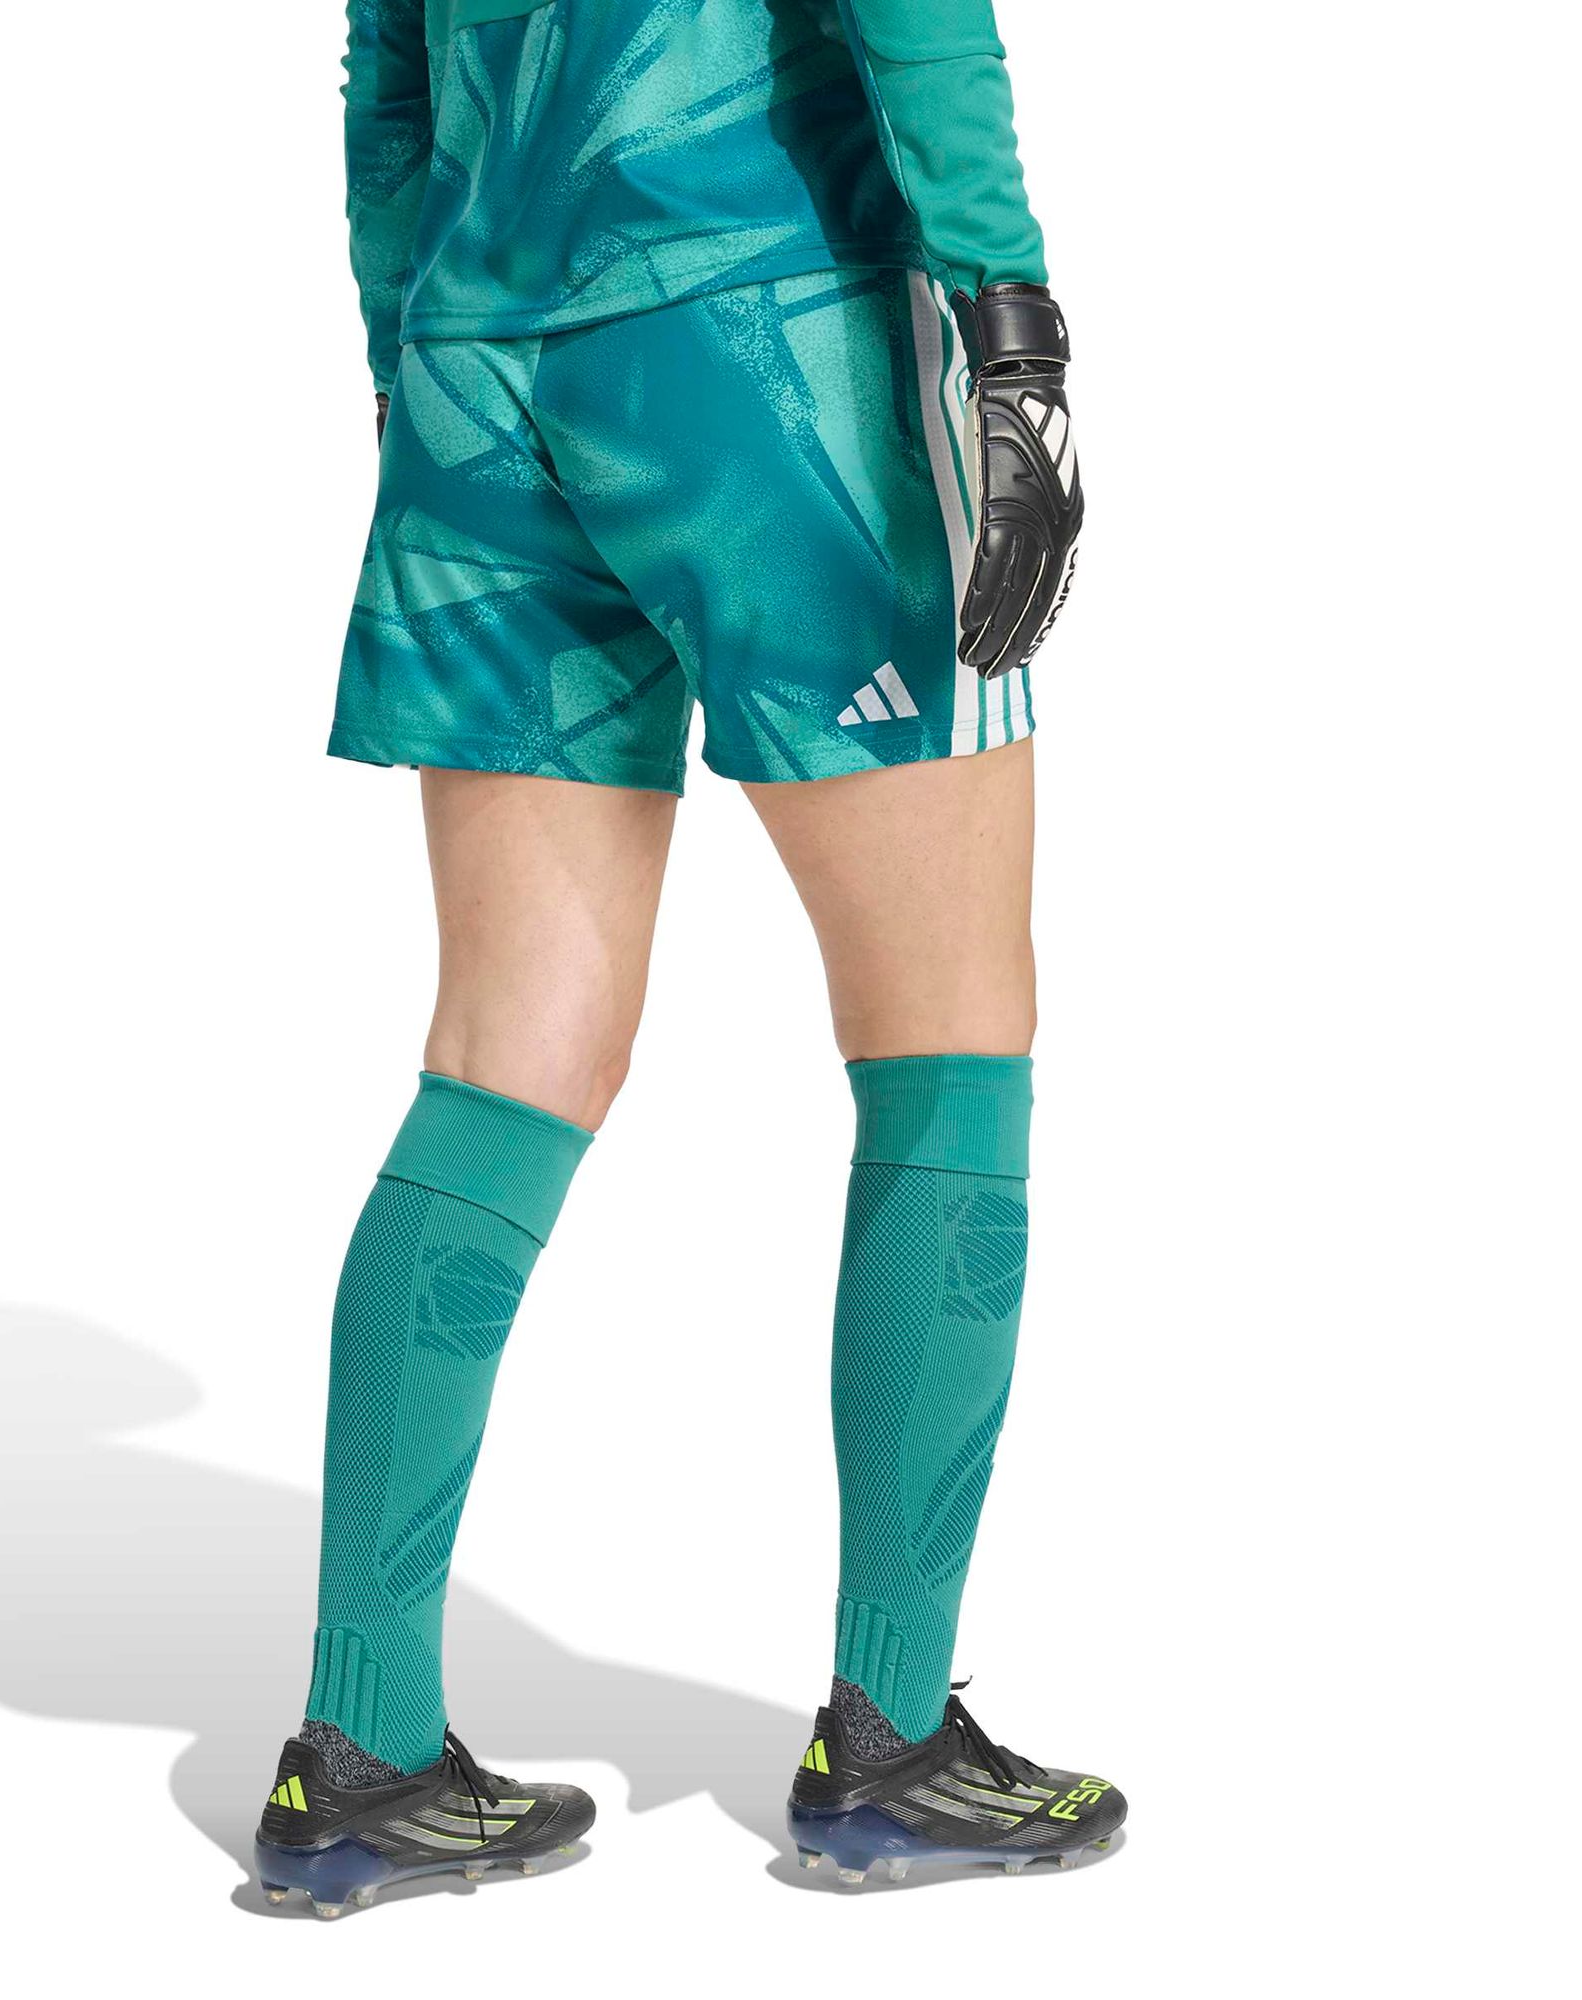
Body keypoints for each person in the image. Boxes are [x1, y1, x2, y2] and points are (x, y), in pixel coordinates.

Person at [252, 0, 1119, 1915]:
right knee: (948, 1040)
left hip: (480, 373)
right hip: (770, 342)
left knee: (501, 1059)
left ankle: (359, 1746)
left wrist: (413, 362)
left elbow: (386, 74)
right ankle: (890, 1736)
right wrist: (1013, 332)